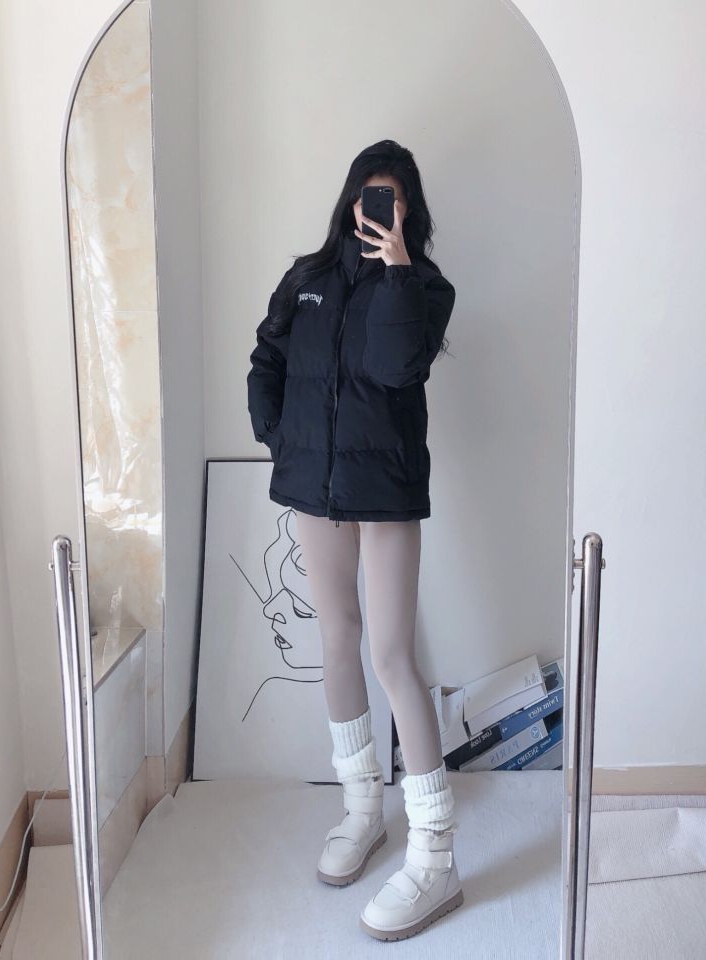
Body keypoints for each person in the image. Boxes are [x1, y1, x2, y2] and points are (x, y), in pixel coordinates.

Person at [247, 139, 462, 940]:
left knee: (392, 655)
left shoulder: (427, 287)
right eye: (368, 197)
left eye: (391, 201)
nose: (375, 212)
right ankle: (363, 807)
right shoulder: (305, 280)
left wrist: (398, 268)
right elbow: (267, 355)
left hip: (386, 489)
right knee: (338, 638)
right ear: (347, 200)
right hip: (316, 485)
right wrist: (280, 435)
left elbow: (400, 365)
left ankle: (435, 856)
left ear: (409, 211)